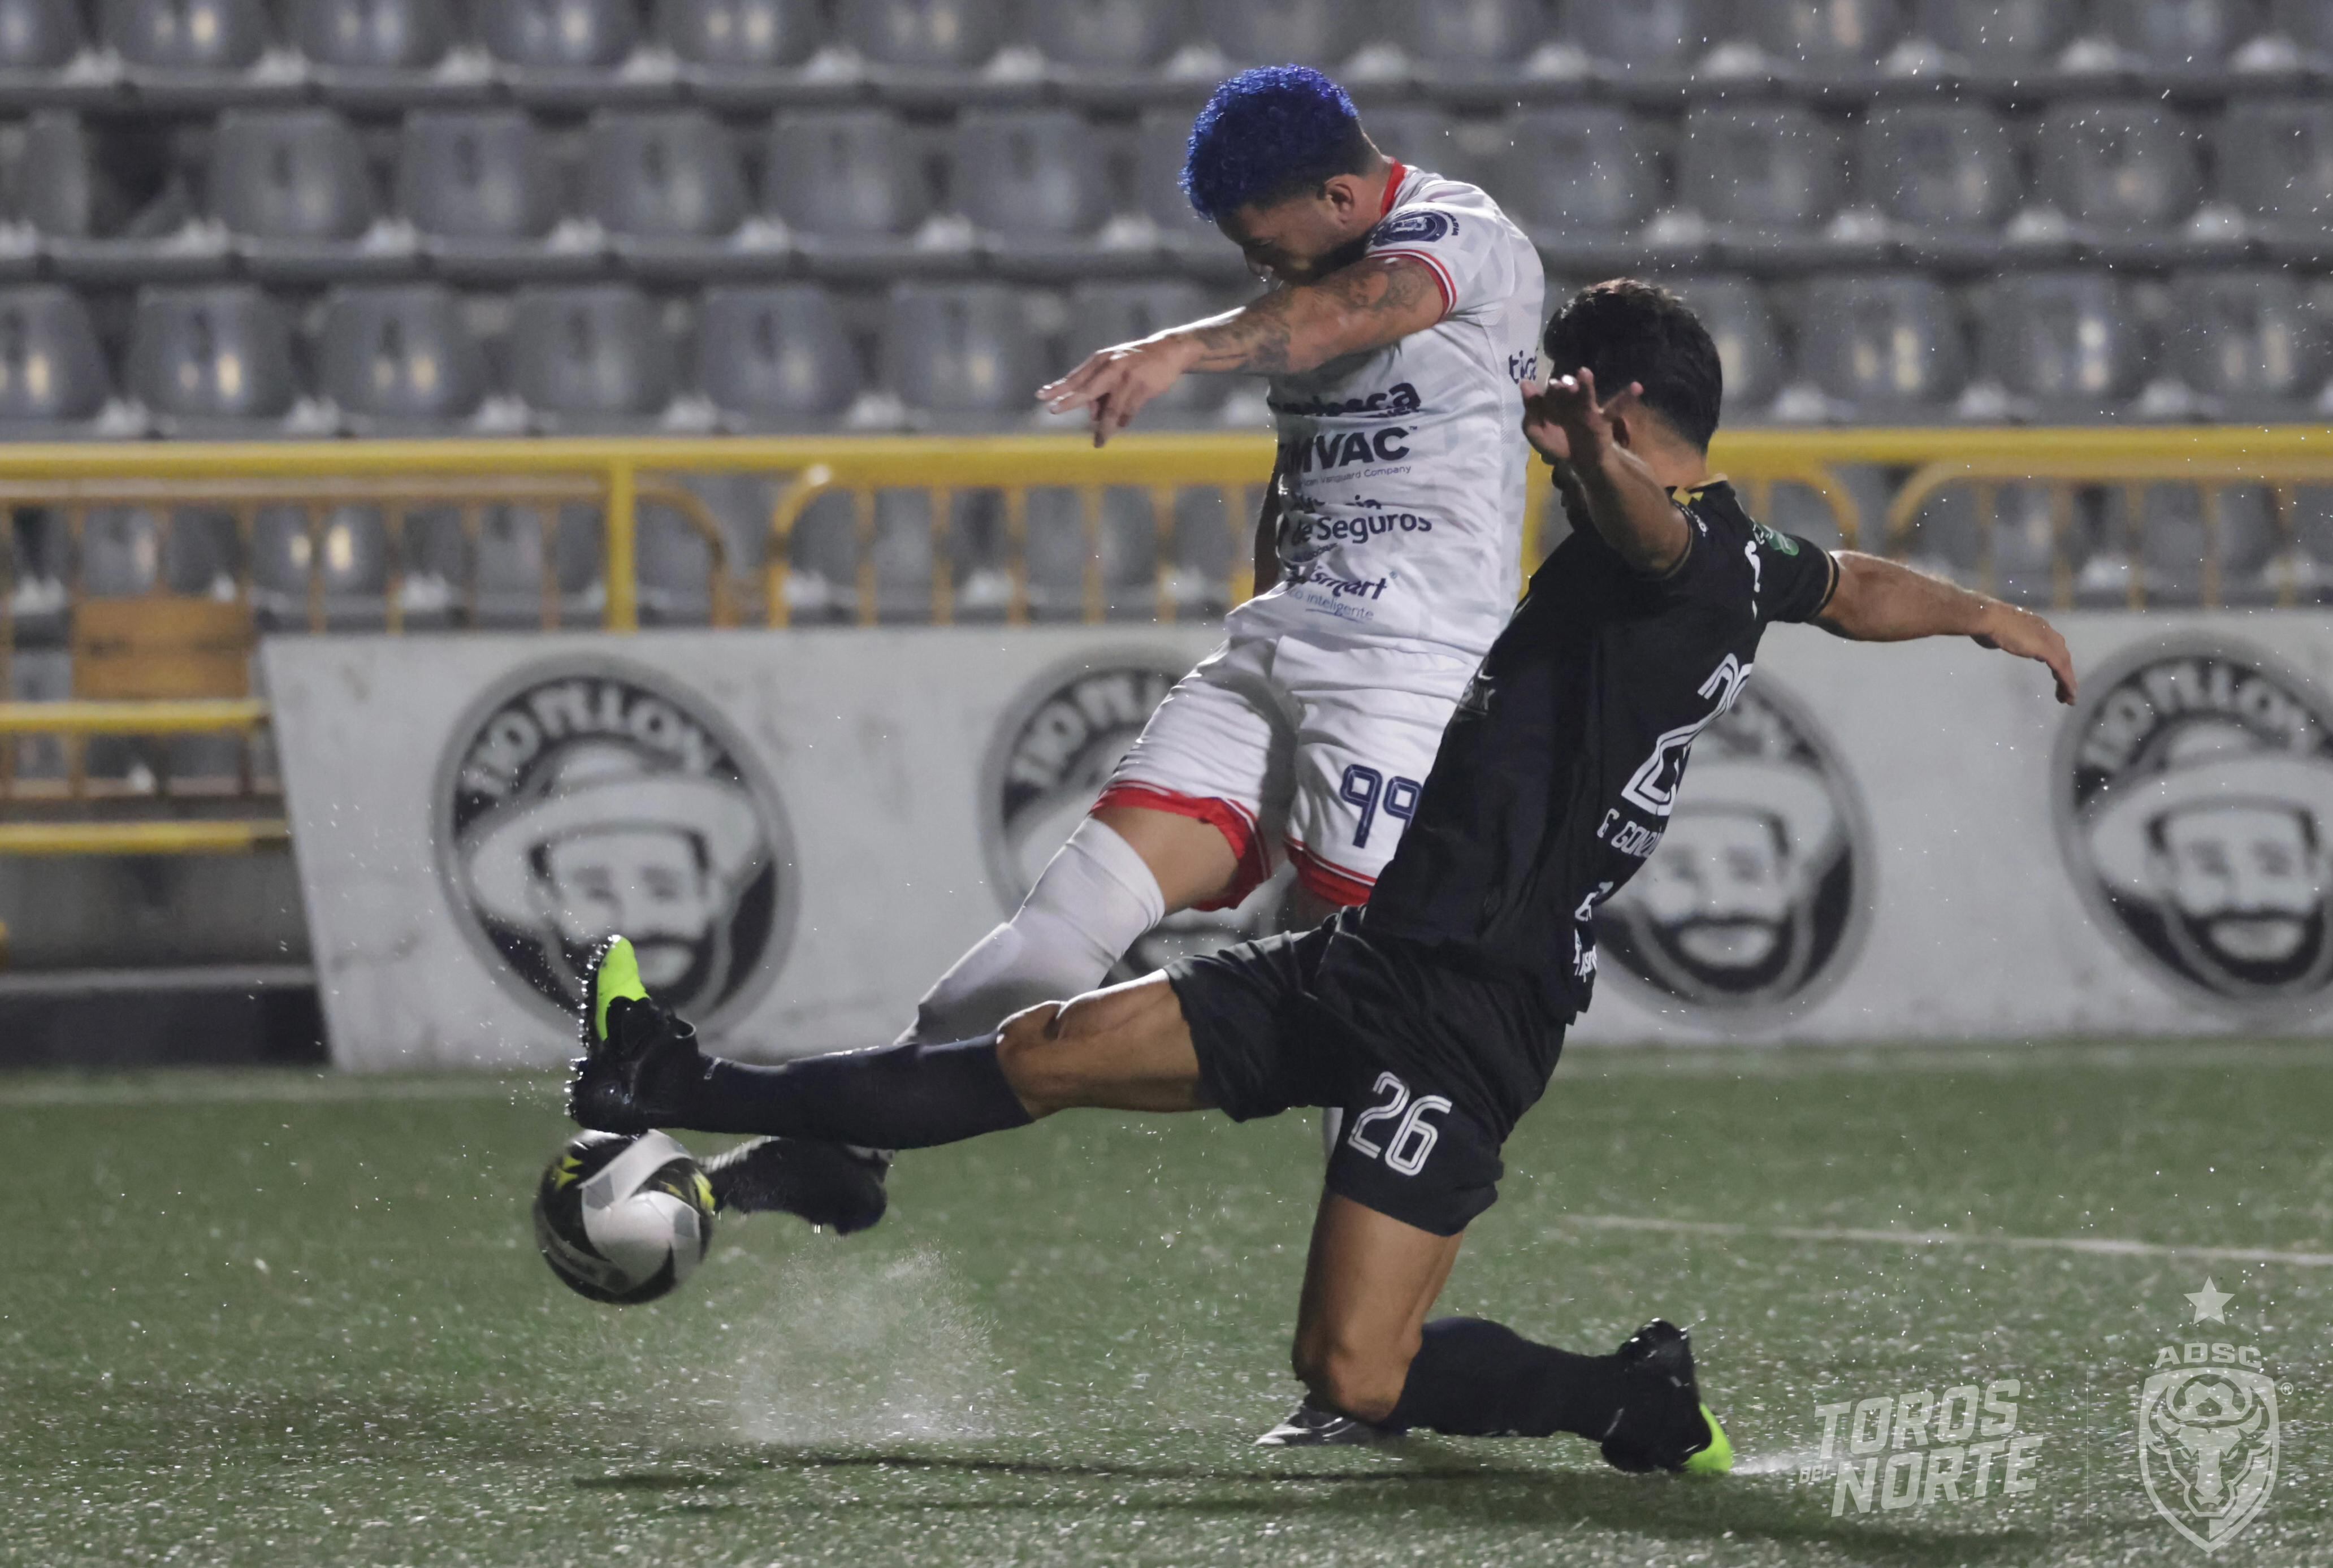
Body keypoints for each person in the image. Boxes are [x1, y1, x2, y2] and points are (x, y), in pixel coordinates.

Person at [568, 280, 2077, 1458]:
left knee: (1358, 1370)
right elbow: (1851, 583)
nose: (1530, 409)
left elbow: (1643, 536)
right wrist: (1989, 615)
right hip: (1373, 961)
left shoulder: (1668, 557)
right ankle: (674, 1077)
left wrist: (1590, 459)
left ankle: (1630, 1396)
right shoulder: (1748, 559)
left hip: (1471, 1018)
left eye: (1555, 385)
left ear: (1615, 405)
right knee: (1044, 1050)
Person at [701, 62, 1543, 1227]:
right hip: (1278, 652)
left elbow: (1344, 314)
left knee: (1368, 1012)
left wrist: (1177, 350)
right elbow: (1307, 459)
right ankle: (847, 1144)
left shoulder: (1464, 238)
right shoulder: (1312, 280)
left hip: (1408, 676)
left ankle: (1375, 1321)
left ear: (1343, 200)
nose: (1261, 271)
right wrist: (1273, 588)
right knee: (1065, 924)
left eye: (1267, 245)